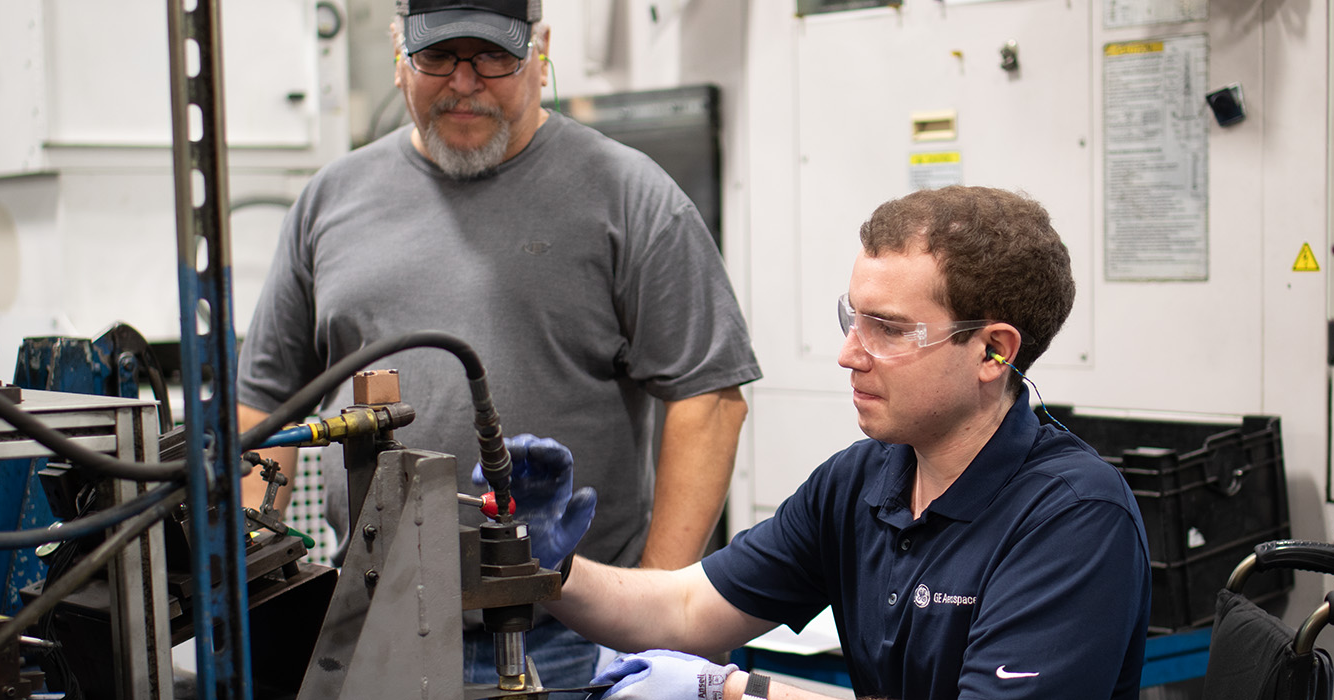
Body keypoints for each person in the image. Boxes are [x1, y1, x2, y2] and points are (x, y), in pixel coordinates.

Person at [233, 0, 759, 688]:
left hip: (567, 637)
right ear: (399, 56)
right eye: (438, 57)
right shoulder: (332, 199)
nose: (464, 81)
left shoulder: (629, 196)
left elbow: (709, 398)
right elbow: (264, 406)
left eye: (493, 57)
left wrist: (653, 608)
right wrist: (247, 567)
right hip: (368, 627)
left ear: (541, 53)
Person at [531, 186, 1151, 699]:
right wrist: (550, 569)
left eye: (888, 329)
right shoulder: (860, 483)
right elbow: (687, 608)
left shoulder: (1074, 518)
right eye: (853, 319)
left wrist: (735, 693)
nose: (849, 354)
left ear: (994, 351)